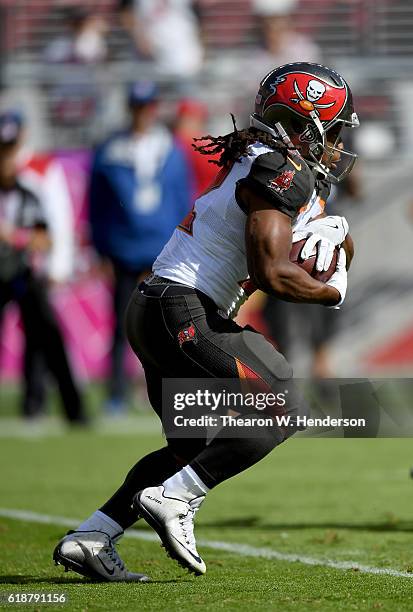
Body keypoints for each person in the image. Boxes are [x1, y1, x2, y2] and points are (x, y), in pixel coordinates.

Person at [53, 62, 359, 581]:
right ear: (306, 123)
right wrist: (331, 290)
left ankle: (93, 534)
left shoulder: (262, 160)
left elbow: (284, 251)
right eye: (333, 132)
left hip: (157, 307)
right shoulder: (281, 169)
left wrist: (331, 235)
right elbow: (271, 272)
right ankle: (175, 500)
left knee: (192, 446)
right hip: (183, 307)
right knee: (283, 403)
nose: (336, 147)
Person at [88, 81, 192, 414]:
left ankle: (170, 394)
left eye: (147, 106)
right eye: (137, 106)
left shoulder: (170, 149)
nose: (142, 114)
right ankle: (117, 394)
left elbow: (182, 200)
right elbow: (97, 205)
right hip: (121, 247)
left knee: (167, 325)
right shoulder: (110, 150)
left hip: (161, 247)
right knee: (121, 324)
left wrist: (181, 245)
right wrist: (100, 247)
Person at [0, 110, 86, 423]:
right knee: (40, 336)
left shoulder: (40, 170)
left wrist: (57, 265)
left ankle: (67, 407)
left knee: (45, 337)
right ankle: (34, 403)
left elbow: (57, 223)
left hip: (29, 269)